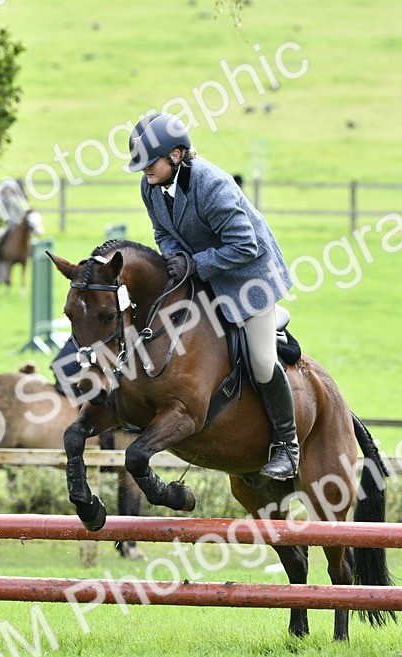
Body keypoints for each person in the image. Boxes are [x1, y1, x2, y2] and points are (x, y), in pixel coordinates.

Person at [127, 112, 297, 480]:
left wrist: (193, 263)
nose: (143, 171)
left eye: (148, 163)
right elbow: (162, 231)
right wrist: (175, 258)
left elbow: (244, 246)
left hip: (249, 277)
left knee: (263, 359)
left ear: (175, 155)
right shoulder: (151, 186)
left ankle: (288, 446)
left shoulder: (212, 184)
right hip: (203, 272)